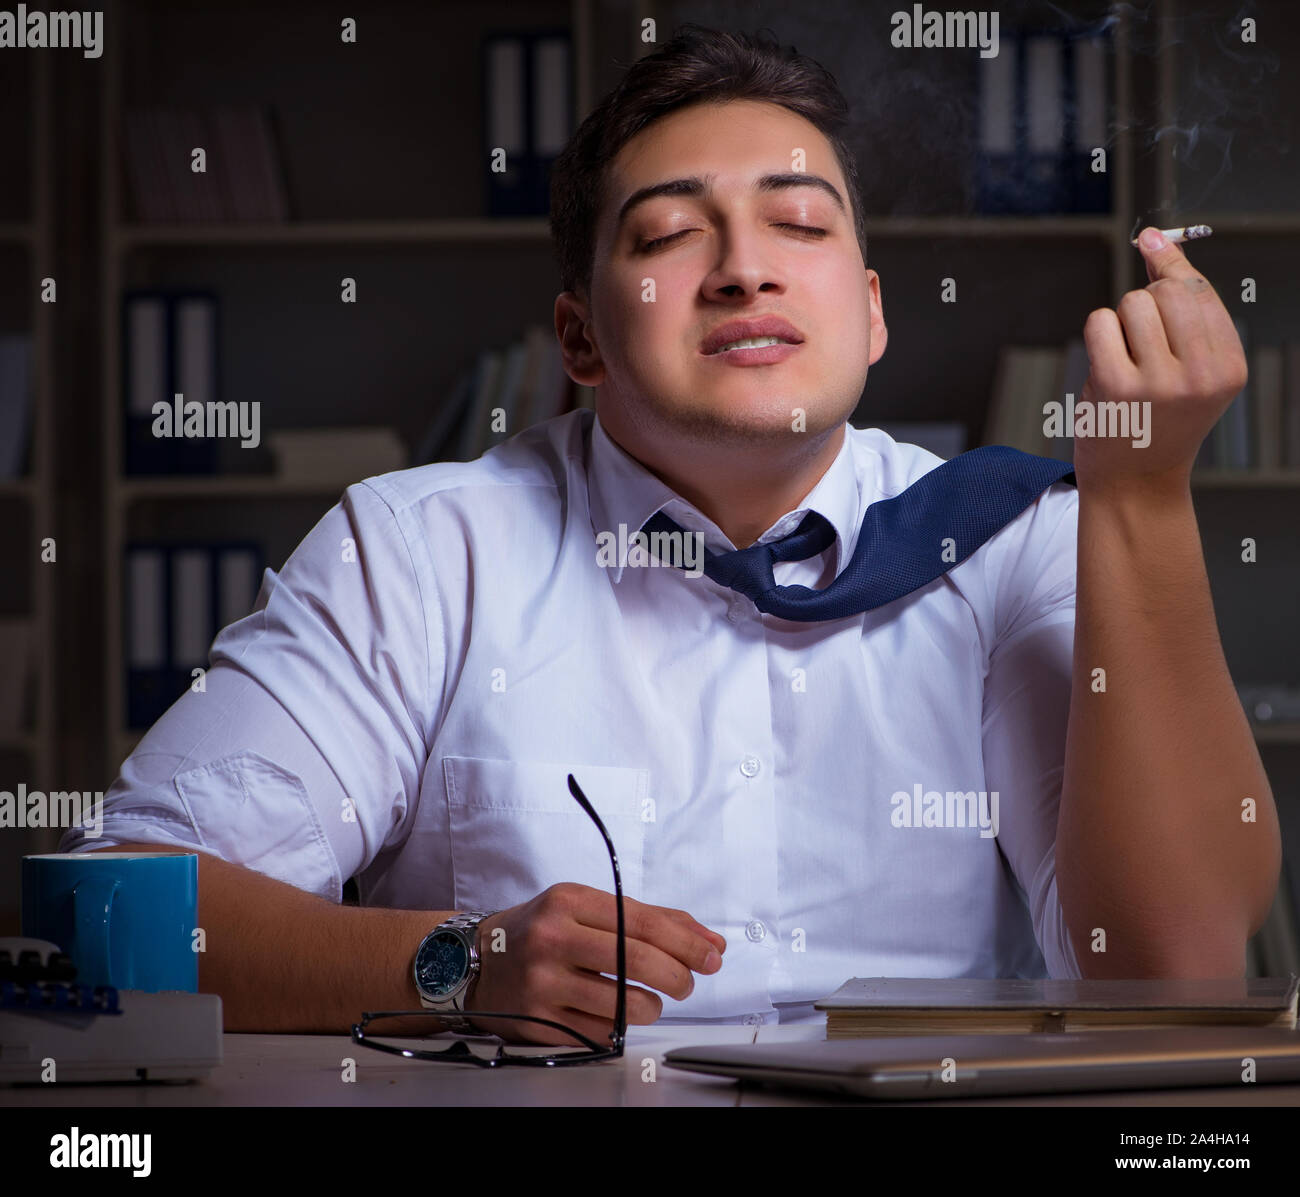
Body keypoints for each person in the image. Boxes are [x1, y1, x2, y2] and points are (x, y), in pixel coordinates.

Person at [65, 26, 1279, 1044]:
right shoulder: (424, 552)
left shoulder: (1015, 545)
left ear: (868, 317)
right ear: (579, 340)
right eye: (666, 236)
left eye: (801, 225)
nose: (745, 269)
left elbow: (1171, 973)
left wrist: (1143, 499)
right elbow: (113, 911)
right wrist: (449, 966)